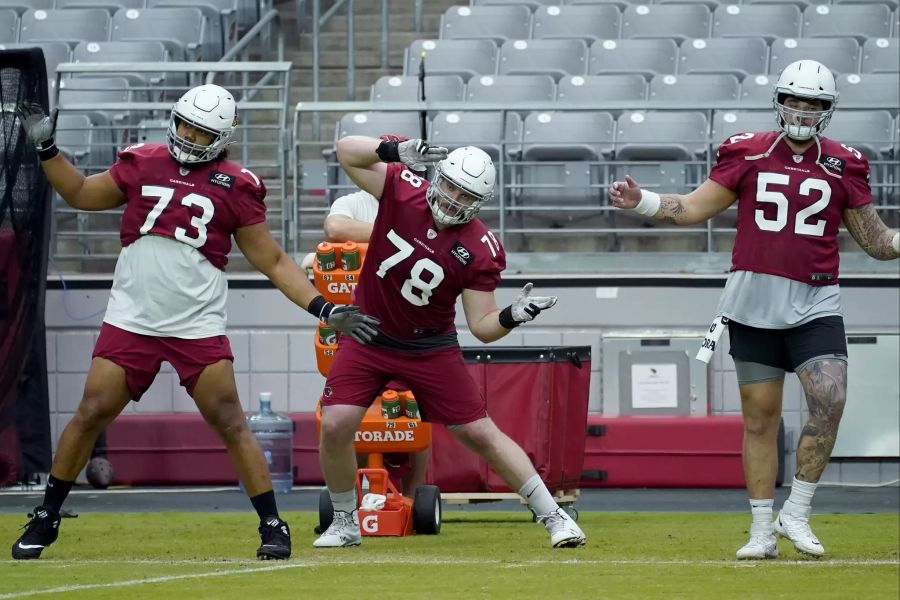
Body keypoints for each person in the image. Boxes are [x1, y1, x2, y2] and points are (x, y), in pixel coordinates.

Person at [11, 84, 379, 560]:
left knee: (230, 421)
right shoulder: (141, 161)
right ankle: (47, 514)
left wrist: (324, 307)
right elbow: (80, 191)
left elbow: (273, 260)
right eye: (185, 124)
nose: (188, 135)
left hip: (195, 323)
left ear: (222, 137)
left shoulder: (237, 183)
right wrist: (46, 147)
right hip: (132, 317)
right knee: (90, 412)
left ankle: (271, 522)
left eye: (201, 131)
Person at [608, 60, 900, 560]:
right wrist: (642, 202)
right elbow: (695, 208)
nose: (803, 113)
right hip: (752, 304)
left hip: (816, 301)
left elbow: (876, 242)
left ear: (828, 111)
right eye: (796, 101)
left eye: (814, 105)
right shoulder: (748, 149)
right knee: (761, 421)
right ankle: (762, 529)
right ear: (779, 101)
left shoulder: (845, 162)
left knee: (830, 401)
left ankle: (798, 513)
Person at [313, 135, 586, 549]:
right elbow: (346, 150)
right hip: (369, 333)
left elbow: (482, 325)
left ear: (481, 201)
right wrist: (393, 149)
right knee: (335, 424)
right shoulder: (403, 188)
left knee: (480, 432)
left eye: (467, 194)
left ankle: (555, 517)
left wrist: (513, 315)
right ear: (438, 178)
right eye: (452, 185)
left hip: (429, 347)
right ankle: (346, 521)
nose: (455, 198)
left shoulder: (480, 248)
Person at [304, 187, 431, 497]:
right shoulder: (352, 202)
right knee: (353, 413)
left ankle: (415, 496)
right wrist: (399, 238)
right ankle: (358, 493)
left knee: (415, 412)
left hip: (408, 325)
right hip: (359, 324)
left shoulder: (423, 203)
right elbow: (335, 229)